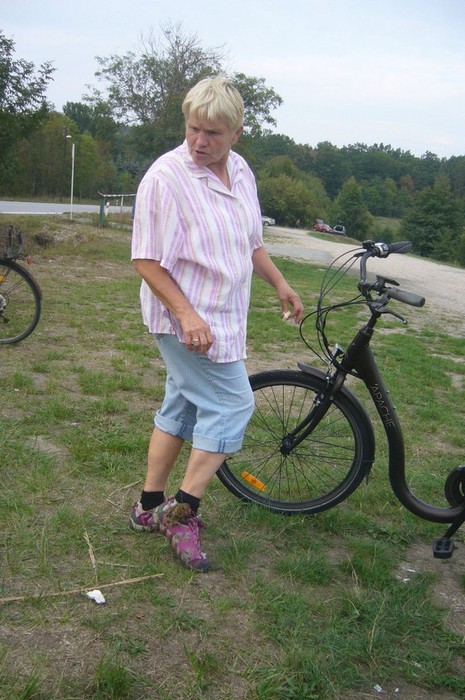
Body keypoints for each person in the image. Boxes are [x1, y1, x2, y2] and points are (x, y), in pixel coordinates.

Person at [129, 76, 303, 572]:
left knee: (182, 405)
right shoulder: (166, 178)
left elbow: (250, 241)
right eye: (193, 129)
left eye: (213, 133)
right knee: (232, 404)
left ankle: (148, 507)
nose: (199, 142)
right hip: (182, 318)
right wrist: (187, 315)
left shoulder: (241, 171)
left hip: (224, 314)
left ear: (236, 133)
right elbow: (145, 259)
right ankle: (181, 514)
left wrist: (279, 282)